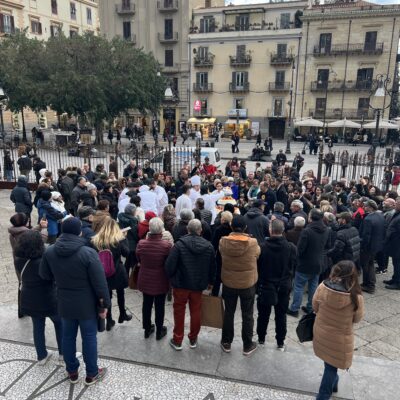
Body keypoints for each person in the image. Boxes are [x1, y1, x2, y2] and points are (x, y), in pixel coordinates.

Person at [40, 217, 110, 386]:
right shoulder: (88, 253)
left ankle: (72, 371)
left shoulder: (50, 251)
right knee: (89, 338)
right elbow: (100, 283)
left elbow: (44, 275)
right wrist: (103, 305)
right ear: (79, 231)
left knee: (68, 337)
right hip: (86, 305)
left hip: (64, 301)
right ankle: (92, 373)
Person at [313, 261, 364, 400]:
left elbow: (315, 307)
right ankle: (323, 395)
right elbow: (357, 318)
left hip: (322, 331)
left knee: (329, 362)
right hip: (340, 338)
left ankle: (333, 383)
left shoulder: (323, 287)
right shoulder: (356, 297)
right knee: (331, 366)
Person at [165, 219, 216, 351]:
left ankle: (177, 339)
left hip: (181, 284)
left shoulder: (179, 245)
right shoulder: (209, 246)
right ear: (200, 231)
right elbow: (212, 267)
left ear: (187, 230)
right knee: (196, 311)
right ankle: (193, 338)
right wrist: (211, 282)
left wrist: (172, 277)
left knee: (179, 311)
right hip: (198, 285)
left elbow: (169, 266)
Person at [15, 230, 62, 364]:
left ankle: (41, 356)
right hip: (49, 297)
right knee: (60, 324)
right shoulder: (43, 260)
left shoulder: (18, 260)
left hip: (29, 297)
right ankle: (63, 354)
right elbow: (52, 277)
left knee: (38, 326)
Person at [219, 215, 260, 356]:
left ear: (231, 227)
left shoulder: (223, 242)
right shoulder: (252, 242)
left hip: (229, 282)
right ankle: (247, 345)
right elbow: (258, 254)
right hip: (247, 283)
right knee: (247, 314)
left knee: (229, 312)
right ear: (245, 228)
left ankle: (226, 342)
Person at [256, 219, 296, 350]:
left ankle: (261, 338)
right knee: (281, 315)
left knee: (263, 314)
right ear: (283, 231)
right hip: (283, 285)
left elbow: (258, 266)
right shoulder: (291, 248)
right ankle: (280, 342)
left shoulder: (262, 247)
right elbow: (293, 266)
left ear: (270, 230)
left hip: (266, 284)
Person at [92, 217, 132, 331]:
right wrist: (124, 238)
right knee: (120, 293)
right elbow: (126, 253)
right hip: (117, 271)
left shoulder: (96, 240)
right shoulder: (118, 240)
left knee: (107, 295)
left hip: (103, 272)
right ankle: (122, 314)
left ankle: (109, 320)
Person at [287, 209, 329, 317]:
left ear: (311, 218)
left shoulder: (307, 231)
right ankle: (311, 307)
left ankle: (294, 308)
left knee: (299, 286)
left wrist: (297, 259)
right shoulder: (326, 229)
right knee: (313, 286)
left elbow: (300, 249)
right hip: (318, 262)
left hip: (305, 263)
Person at [136, 218, 172, 340]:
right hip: (160, 279)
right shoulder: (166, 246)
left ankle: (147, 329)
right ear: (161, 230)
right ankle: (159, 330)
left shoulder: (141, 244)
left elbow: (139, 259)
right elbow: (168, 263)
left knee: (146, 303)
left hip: (145, 278)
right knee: (159, 305)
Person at [359, 200, 385, 294]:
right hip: (377, 245)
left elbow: (366, 236)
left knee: (366, 265)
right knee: (370, 265)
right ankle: (369, 283)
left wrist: (362, 247)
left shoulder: (368, 219)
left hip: (368, 247)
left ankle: (368, 285)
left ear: (370, 207)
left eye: (365, 206)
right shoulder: (380, 215)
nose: (364, 208)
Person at [211, 211, 233, 297]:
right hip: (229, 254)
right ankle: (225, 294)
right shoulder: (232, 229)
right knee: (227, 274)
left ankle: (215, 292)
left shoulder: (218, 229)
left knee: (218, 275)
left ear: (223, 219)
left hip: (220, 254)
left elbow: (214, 244)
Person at [384, 197, 400, 290]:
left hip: (397, 244)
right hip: (394, 244)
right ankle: (395, 278)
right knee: (395, 263)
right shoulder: (397, 214)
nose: (395, 205)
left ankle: (398, 283)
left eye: (397, 203)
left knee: (398, 263)